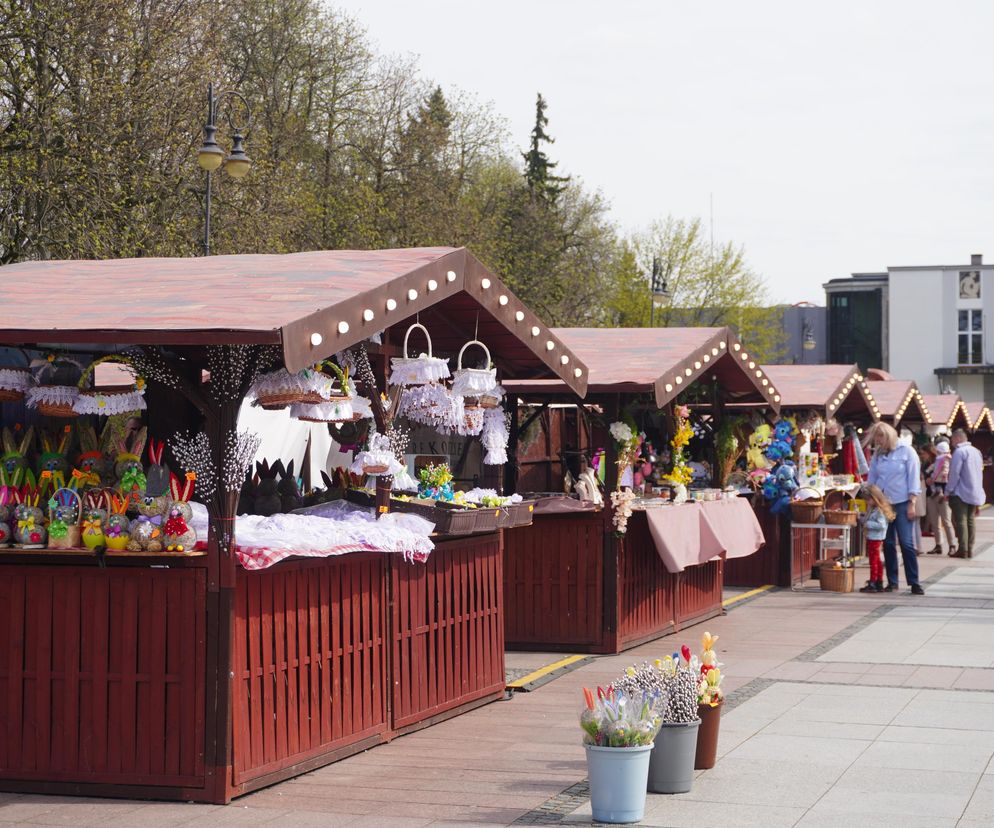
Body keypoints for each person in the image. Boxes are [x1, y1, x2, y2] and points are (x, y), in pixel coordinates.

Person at [864, 422, 925, 595]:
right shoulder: (878, 455)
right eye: (876, 438)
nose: (878, 441)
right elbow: (873, 477)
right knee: (888, 542)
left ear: (889, 436)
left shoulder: (907, 451)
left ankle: (914, 581)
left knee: (906, 542)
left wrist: (912, 502)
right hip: (884, 503)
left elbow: (913, 477)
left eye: (880, 437)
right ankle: (892, 581)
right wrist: (871, 496)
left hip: (903, 501)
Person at [946, 428, 985, 558]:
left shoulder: (959, 452)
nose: (951, 442)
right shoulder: (976, 451)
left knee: (960, 520)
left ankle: (963, 549)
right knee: (970, 520)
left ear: (957, 438)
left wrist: (949, 490)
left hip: (960, 491)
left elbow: (954, 473)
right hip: (974, 490)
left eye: (952, 439)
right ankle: (970, 548)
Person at [859, 484, 894, 593]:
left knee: (873, 560)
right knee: (877, 560)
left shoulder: (878, 511)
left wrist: (868, 524)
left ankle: (873, 581)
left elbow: (881, 525)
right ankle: (878, 580)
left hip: (875, 538)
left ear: (874, 498)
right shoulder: (874, 509)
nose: (867, 502)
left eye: (868, 499)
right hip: (874, 538)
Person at [924, 440, 956, 555]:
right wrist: (928, 479)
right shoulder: (933, 462)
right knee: (935, 522)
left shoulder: (950, 462)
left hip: (944, 495)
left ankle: (952, 545)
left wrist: (947, 493)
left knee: (946, 521)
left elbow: (951, 478)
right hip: (932, 494)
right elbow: (927, 474)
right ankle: (938, 545)